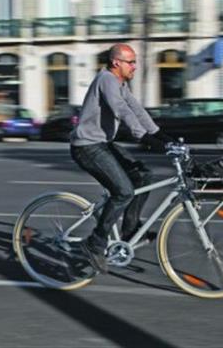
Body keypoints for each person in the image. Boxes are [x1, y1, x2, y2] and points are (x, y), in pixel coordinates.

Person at [70, 43, 174, 273]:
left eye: (135, 62)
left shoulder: (119, 83)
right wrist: (144, 137)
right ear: (116, 62)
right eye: (131, 62)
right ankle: (95, 243)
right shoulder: (106, 79)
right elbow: (121, 110)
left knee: (144, 175)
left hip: (102, 144)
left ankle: (130, 230)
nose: (135, 66)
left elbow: (136, 109)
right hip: (87, 147)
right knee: (124, 191)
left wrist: (160, 135)